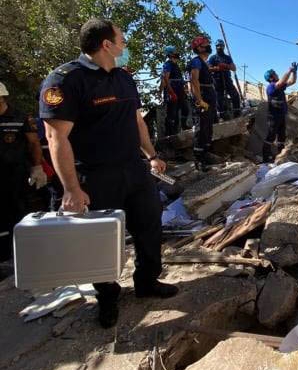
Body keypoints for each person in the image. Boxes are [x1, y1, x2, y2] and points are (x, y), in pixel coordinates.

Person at [39, 18, 178, 328]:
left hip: (134, 169)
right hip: (95, 176)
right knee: (100, 241)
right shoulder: (65, 80)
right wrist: (71, 189)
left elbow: (137, 122)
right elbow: (56, 138)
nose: (124, 45)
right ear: (107, 45)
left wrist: (152, 156)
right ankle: (108, 296)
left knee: (149, 226)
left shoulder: (124, 78)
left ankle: (146, 282)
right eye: (122, 40)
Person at [0, 82, 47, 260]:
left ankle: (23, 253)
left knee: (18, 213)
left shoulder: (20, 117)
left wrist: (37, 167)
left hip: (15, 175)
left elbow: (34, 143)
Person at [188, 36, 217, 171]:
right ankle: (199, 160)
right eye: (205, 44)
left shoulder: (204, 63)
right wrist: (199, 100)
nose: (208, 46)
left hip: (209, 97)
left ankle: (206, 155)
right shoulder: (196, 61)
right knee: (201, 128)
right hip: (203, 97)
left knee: (208, 127)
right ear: (199, 48)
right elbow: (194, 80)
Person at [262, 63, 298, 163]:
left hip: (281, 115)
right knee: (271, 136)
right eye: (275, 73)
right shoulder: (271, 87)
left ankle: (280, 157)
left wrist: (294, 72)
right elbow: (281, 82)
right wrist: (289, 70)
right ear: (271, 78)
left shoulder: (280, 86)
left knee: (282, 137)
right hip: (273, 117)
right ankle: (266, 159)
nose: (277, 74)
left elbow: (292, 81)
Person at [208, 39, 241, 120]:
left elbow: (234, 68)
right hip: (217, 81)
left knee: (235, 96)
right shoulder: (213, 58)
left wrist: (226, 66)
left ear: (224, 47)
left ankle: (237, 113)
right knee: (219, 99)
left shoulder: (227, 58)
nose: (220, 47)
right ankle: (222, 115)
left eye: (221, 46)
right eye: (218, 46)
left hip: (227, 80)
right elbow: (208, 68)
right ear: (216, 47)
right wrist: (217, 68)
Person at [161, 45, 189, 136]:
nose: (176, 53)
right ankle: (170, 133)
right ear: (170, 54)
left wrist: (184, 87)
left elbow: (179, 78)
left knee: (185, 109)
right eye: (174, 51)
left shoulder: (176, 65)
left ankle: (183, 126)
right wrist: (171, 93)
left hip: (180, 90)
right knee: (172, 112)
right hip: (172, 90)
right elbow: (165, 79)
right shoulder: (168, 64)